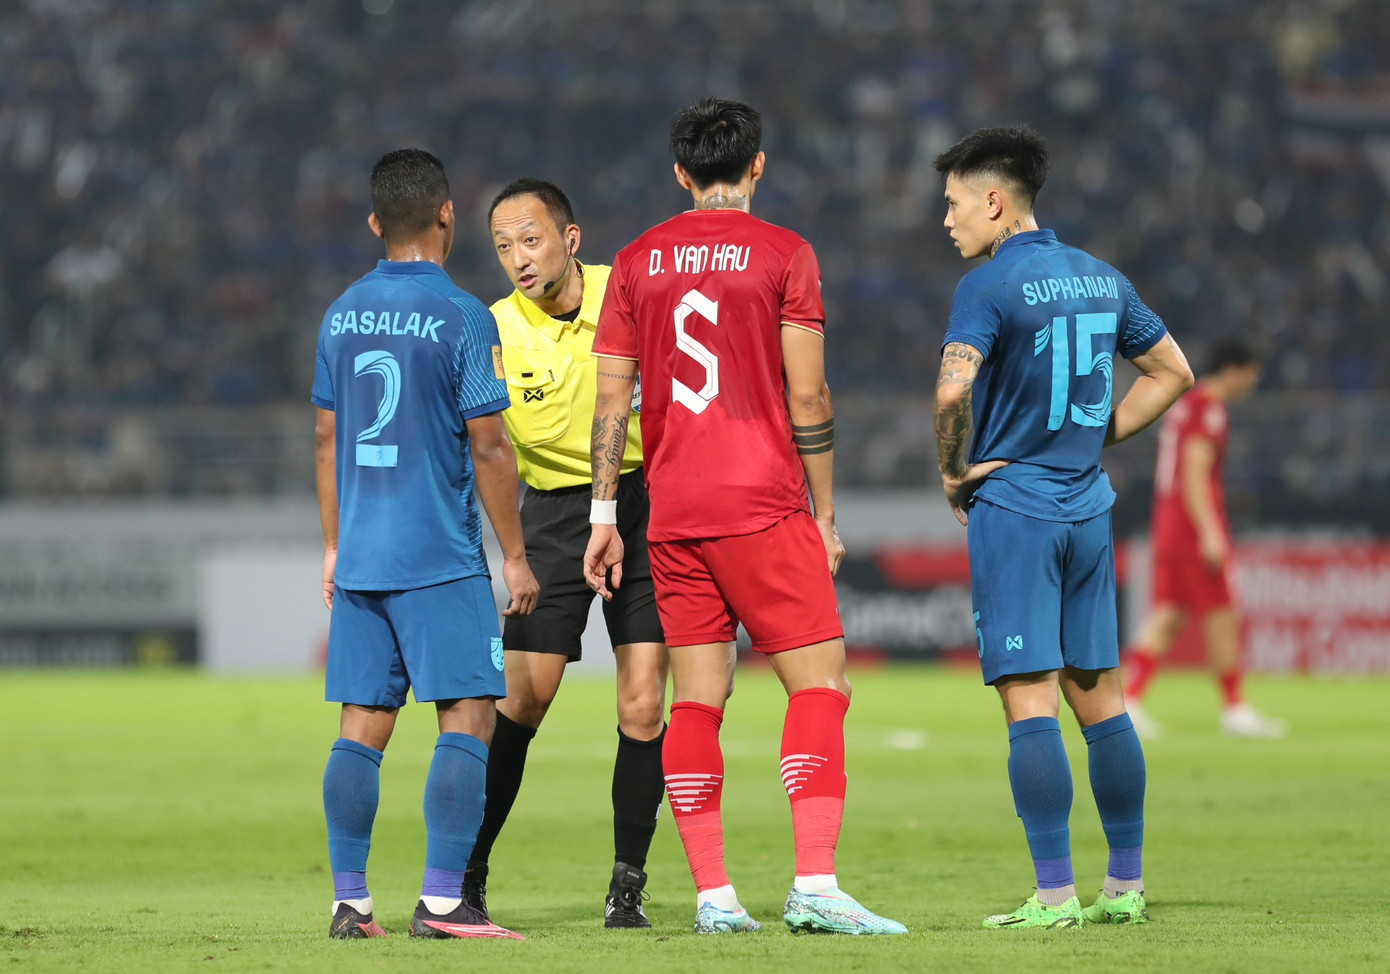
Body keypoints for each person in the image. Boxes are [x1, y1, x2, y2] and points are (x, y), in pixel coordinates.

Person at [583, 97, 906, 937]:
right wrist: (825, 510)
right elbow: (809, 393)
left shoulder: (634, 260)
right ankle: (816, 883)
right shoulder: (786, 254)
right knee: (821, 686)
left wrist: (604, 513)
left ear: (681, 174)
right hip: (760, 501)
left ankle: (715, 897)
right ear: (758, 165)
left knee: (696, 703)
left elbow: (612, 398)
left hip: (673, 510)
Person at [932, 125, 1194, 929]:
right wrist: (1093, 433)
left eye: (952, 205)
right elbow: (1173, 373)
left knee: (1030, 703)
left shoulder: (988, 286)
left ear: (994, 201)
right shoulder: (1101, 276)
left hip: (1018, 511)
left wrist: (952, 470)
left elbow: (951, 393)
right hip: (1089, 507)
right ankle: (1125, 887)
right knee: (1102, 701)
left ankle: (1053, 897)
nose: (946, 221)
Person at [312, 148, 539, 942]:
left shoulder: (340, 313)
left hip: (365, 553)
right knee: (469, 716)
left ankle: (351, 902)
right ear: (447, 215)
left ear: (377, 223)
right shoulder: (465, 317)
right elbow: (490, 447)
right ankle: (444, 903)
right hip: (440, 555)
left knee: (361, 725)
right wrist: (513, 555)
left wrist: (334, 547)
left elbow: (324, 435)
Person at [466, 177, 668, 928]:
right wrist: (508, 552)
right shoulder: (492, 330)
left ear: (570, 239)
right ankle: (469, 872)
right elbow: (486, 449)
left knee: (643, 702)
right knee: (524, 700)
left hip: (645, 507)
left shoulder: (632, 294)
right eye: (503, 247)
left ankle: (627, 888)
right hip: (551, 517)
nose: (518, 258)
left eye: (531, 240)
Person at [1123, 340, 1284, 739]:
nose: (1252, 382)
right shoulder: (1208, 410)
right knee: (1223, 615)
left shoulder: (1184, 405)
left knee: (1169, 614)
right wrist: (1212, 534)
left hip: (1170, 525)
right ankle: (1235, 708)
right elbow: (1194, 476)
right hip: (1194, 528)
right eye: (1250, 372)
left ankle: (1128, 699)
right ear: (1232, 369)